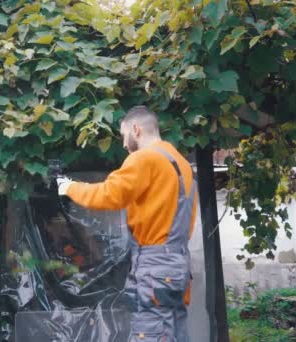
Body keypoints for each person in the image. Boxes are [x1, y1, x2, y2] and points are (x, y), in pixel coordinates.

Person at [56, 105, 197, 341]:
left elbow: (109, 195)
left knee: (149, 333)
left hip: (155, 264)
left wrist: (69, 187)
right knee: (172, 334)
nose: (123, 144)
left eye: (123, 136)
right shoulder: (179, 161)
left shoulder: (145, 158)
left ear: (136, 129)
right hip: (176, 262)